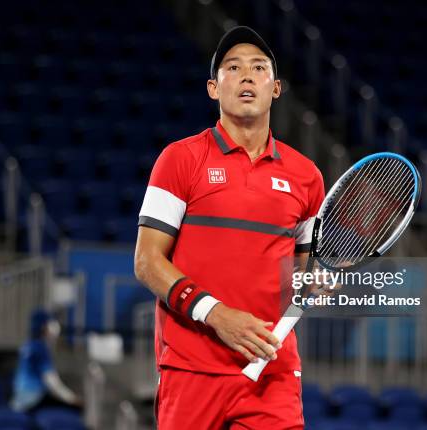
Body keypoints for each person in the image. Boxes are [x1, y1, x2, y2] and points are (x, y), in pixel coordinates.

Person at [134, 26, 325, 429]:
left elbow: (302, 276)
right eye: (233, 67)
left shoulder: (306, 177)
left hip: (271, 372)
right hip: (192, 371)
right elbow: (148, 261)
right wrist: (218, 315)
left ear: (276, 88)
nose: (247, 75)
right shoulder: (180, 160)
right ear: (212, 87)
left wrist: (319, 283)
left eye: (259, 68)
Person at [10, 309, 83, 413]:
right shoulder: (40, 349)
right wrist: (72, 399)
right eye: (50, 323)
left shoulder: (28, 345)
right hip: (33, 398)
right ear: (44, 327)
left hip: (20, 395)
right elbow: (52, 382)